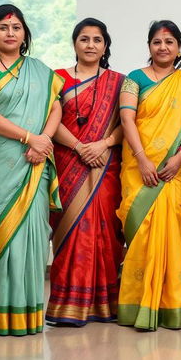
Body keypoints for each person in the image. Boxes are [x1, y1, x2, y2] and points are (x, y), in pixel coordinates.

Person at [0, 4, 64, 336]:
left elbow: (56, 108)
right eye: (3, 28)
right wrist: (29, 137)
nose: (10, 33)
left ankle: (28, 313)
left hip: (35, 162)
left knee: (34, 238)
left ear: (25, 34)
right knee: (4, 237)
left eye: (16, 27)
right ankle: (0, 314)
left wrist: (43, 141)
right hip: (2, 163)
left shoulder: (41, 70)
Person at [46, 18, 125, 326]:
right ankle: (67, 306)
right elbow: (51, 121)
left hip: (106, 166)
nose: (90, 45)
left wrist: (102, 144)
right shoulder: (58, 78)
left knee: (106, 232)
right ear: (74, 43)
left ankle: (104, 305)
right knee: (71, 230)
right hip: (69, 163)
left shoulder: (120, 82)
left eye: (97, 40)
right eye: (84, 39)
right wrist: (80, 147)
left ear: (105, 46)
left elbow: (128, 125)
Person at [117, 20, 181, 331]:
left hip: (176, 168)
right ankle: (136, 305)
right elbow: (126, 118)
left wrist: (180, 157)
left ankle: (168, 307)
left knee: (171, 231)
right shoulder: (133, 79)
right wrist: (143, 160)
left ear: (179, 47)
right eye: (157, 42)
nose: (163, 47)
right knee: (140, 230)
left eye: (169, 42)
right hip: (139, 167)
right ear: (149, 46)